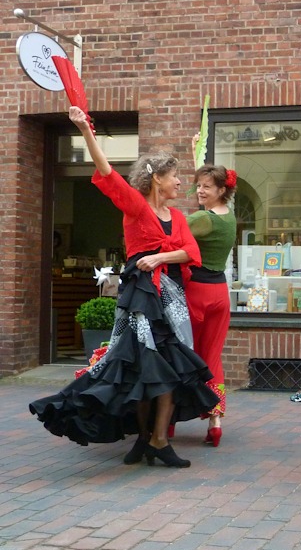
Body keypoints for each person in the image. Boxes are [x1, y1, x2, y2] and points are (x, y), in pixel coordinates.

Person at [30, 106, 220, 468]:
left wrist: (160, 258)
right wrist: (85, 129)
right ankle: (150, 439)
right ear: (156, 179)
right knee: (145, 369)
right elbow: (106, 171)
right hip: (141, 299)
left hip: (170, 302)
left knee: (167, 369)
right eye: (175, 176)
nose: (181, 183)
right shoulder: (135, 207)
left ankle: (155, 440)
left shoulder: (178, 217)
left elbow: (190, 252)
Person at [184, 148, 238, 447]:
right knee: (212, 357)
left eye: (207, 187)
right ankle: (215, 421)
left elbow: (172, 232)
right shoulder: (229, 216)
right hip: (220, 293)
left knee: (180, 354)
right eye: (199, 185)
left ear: (221, 190)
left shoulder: (203, 219)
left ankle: (167, 419)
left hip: (197, 293)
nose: (200, 191)